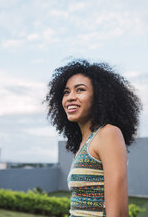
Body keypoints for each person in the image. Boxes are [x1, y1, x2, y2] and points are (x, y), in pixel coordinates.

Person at [45, 59, 142, 217]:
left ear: (99, 97)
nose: (70, 97)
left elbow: (117, 213)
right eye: (66, 92)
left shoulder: (108, 134)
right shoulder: (84, 143)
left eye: (80, 90)